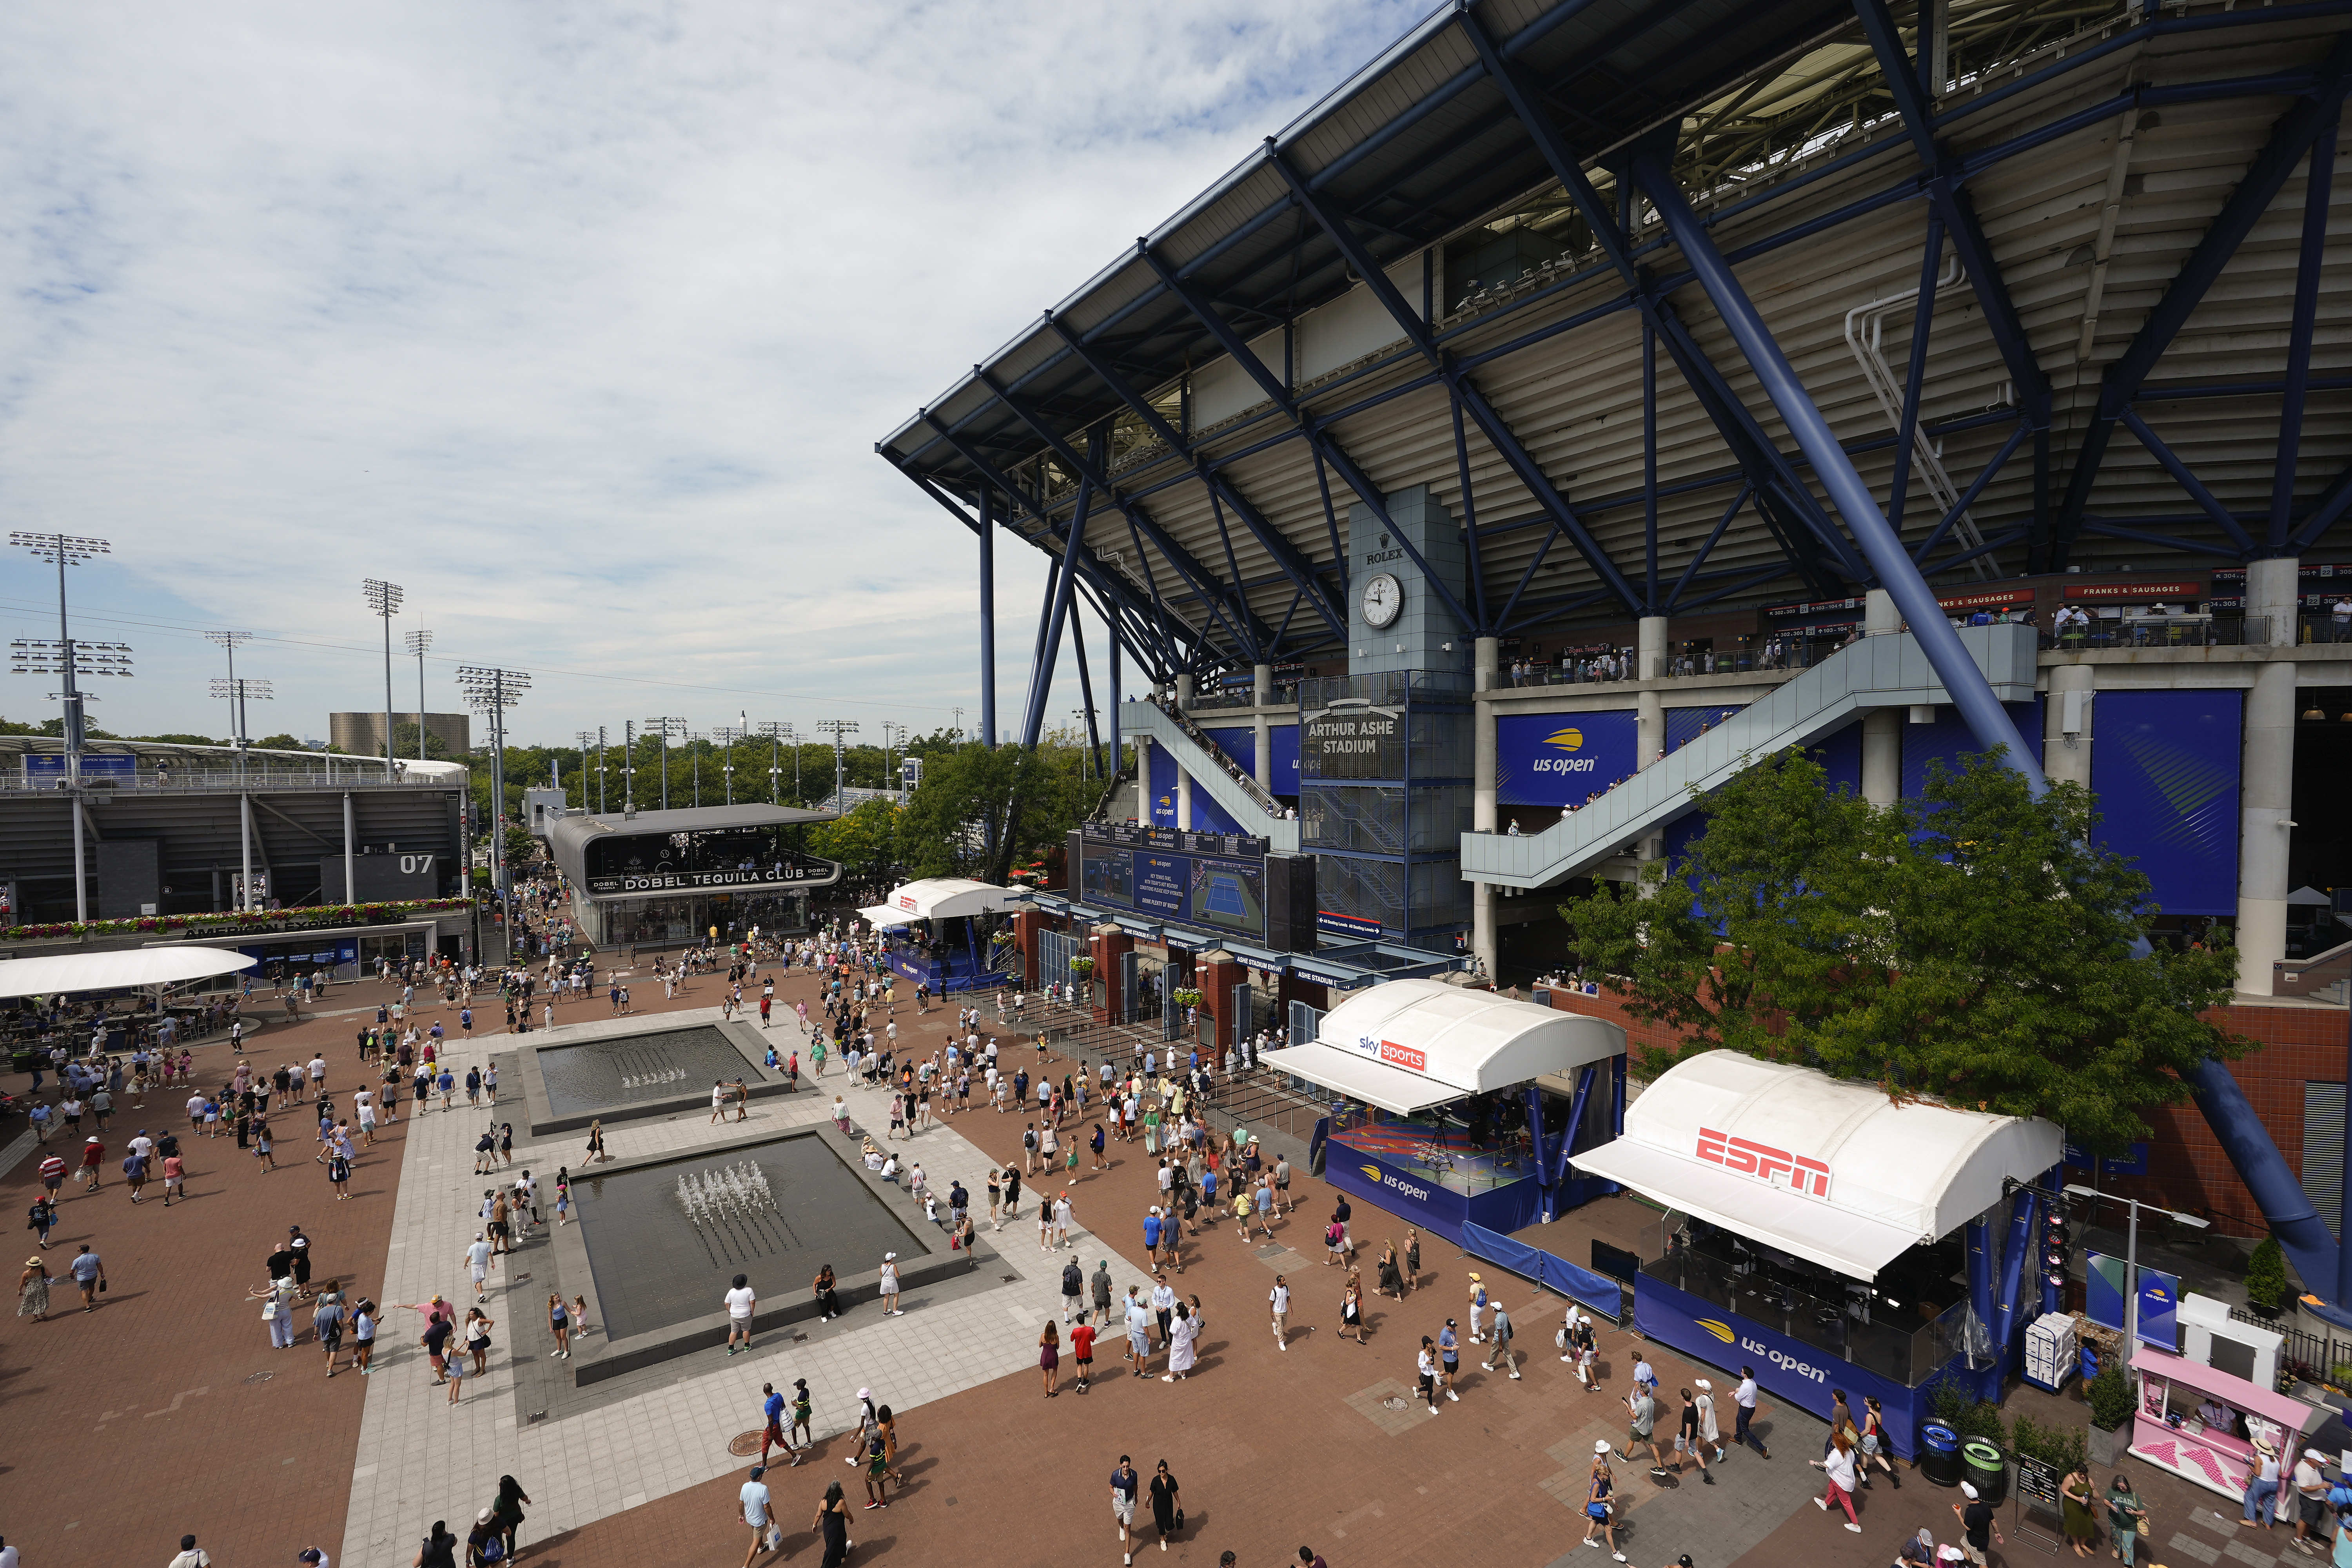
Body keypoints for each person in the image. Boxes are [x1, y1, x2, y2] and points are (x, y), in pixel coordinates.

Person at [1583, 1443, 1626, 1561]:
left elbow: (1606, 1493)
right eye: (1607, 1475)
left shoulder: (1602, 1482)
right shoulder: (1597, 1484)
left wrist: (1613, 1500)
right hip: (1599, 1508)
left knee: (1594, 1521)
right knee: (1608, 1529)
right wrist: (1605, 1500)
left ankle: (1588, 1538)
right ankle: (1615, 1552)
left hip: (1599, 1509)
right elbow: (1593, 1499)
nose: (1608, 1476)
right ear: (1602, 1475)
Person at [1814, 1432, 1863, 1531]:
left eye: (1834, 1441)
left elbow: (1827, 1465)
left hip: (1841, 1482)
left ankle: (1856, 1525)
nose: (1832, 1443)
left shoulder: (1837, 1453)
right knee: (1832, 1489)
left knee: (1846, 1503)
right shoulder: (1850, 1451)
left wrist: (1814, 1463)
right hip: (1842, 1479)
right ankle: (1825, 1504)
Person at [1954, 1478, 2001, 1559]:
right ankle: (1965, 1564)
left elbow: (1967, 1527)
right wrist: (1997, 1532)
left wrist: (1959, 1514)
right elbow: (1993, 1521)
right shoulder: (1985, 1506)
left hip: (1976, 1541)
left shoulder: (1971, 1511)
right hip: (1976, 1538)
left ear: (1966, 1496)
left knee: (1982, 1562)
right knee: (1966, 1547)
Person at [739, 1465, 777, 1564]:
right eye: (762, 1473)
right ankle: (746, 1565)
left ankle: (761, 1547)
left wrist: (741, 1515)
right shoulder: (763, 1489)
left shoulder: (745, 1486)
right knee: (755, 1540)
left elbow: (741, 1503)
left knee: (758, 1534)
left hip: (750, 1518)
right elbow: (766, 1507)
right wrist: (772, 1518)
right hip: (760, 1521)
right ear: (759, 1477)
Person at [2063, 1461, 2102, 1556]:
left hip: (2085, 1505)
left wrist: (2094, 1489)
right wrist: (2078, 1499)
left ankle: (2082, 1543)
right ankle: (2076, 1545)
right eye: (2080, 1474)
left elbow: (2097, 1498)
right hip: (2072, 1504)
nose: (2083, 1476)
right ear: (2076, 1471)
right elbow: (2063, 1490)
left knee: (2088, 1524)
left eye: (2085, 1474)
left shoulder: (2089, 1480)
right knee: (2074, 1524)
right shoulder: (2070, 1478)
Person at [2106, 1472, 2145, 1564]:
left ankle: (2128, 1565)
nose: (2121, 1488)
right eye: (2119, 1487)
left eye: (2123, 1487)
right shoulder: (2112, 1491)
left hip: (2130, 1526)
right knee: (2117, 1538)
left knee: (2128, 1546)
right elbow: (2105, 1500)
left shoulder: (2134, 1496)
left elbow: (2143, 1512)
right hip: (2115, 1522)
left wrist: (2134, 1512)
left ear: (2127, 1485)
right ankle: (2117, 1549)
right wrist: (2110, 1505)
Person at [812, 1480, 853, 1568]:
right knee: (834, 1546)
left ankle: (843, 1551)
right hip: (838, 1529)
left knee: (832, 1543)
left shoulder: (823, 1502)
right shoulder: (841, 1502)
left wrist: (814, 1525)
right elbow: (847, 1514)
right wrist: (851, 1519)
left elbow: (818, 1514)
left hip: (827, 1528)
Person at [490, 1475, 531, 1563]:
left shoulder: (499, 1500)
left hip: (502, 1522)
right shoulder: (517, 1491)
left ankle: (500, 1555)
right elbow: (525, 1498)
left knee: (498, 1537)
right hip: (514, 1518)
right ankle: (510, 1559)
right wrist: (528, 1501)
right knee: (511, 1537)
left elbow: (496, 1515)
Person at [1733, 1365, 1771, 1457]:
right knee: (1738, 1420)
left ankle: (1762, 1448)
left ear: (1745, 1375)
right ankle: (1738, 1438)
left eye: (1742, 1371)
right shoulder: (1753, 1383)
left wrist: (1736, 1391)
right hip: (1750, 1409)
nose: (1741, 1372)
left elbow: (1738, 1397)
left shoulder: (1745, 1386)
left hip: (1745, 1410)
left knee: (1745, 1429)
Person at [1111, 1455, 1143, 1565]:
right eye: (1124, 1467)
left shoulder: (1134, 1475)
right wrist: (1113, 1493)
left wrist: (1136, 1496)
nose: (1126, 1469)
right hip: (1119, 1503)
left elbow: (1135, 1486)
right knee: (1120, 1520)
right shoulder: (1116, 1475)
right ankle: (1121, 1528)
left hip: (1129, 1503)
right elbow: (1110, 1487)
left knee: (1128, 1527)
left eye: (1128, 1466)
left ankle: (1127, 1554)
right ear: (1121, 1466)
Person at [1148, 1459, 1183, 1553]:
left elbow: (1175, 1491)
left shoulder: (1171, 1480)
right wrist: (1148, 1502)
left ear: (1166, 1470)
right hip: (1158, 1505)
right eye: (1160, 1471)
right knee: (1160, 1522)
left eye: (1163, 1471)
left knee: (1169, 1522)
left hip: (1168, 1504)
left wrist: (1178, 1501)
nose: (1161, 1473)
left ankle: (1166, 1530)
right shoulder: (1156, 1480)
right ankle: (1162, 1539)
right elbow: (1152, 1492)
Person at [1486, 1300, 1520, 1379]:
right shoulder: (1505, 1314)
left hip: (1499, 1340)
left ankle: (1490, 1365)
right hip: (1506, 1337)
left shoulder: (1497, 1320)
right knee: (1508, 1354)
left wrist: (1500, 1345)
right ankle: (1515, 1372)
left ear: (1495, 1309)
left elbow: (1500, 1333)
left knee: (1494, 1351)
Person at [724, 1272, 756, 1353]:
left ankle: (731, 1349)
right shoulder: (749, 1290)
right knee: (746, 1330)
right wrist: (752, 1312)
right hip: (746, 1315)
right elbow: (752, 1302)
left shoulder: (731, 1292)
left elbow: (726, 1304)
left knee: (734, 1331)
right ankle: (747, 1346)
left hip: (734, 1316)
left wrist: (730, 1311)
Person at [68, 1242, 104, 1312]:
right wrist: (102, 1274)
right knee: (92, 1287)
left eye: (79, 1250)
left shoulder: (77, 1261)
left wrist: (72, 1276)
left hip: (82, 1278)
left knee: (84, 1291)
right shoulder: (95, 1256)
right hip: (93, 1276)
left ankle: (88, 1307)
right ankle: (90, 1297)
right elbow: (100, 1266)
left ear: (82, 1251)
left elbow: (72, 1271)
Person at [17, 1255, 50, 1321]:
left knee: (32, 1302)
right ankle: (42, 1312)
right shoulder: (43, 1269)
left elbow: (22, 1284)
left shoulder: (26, 1273)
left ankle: (36, 1317)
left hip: (31, 1289)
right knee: (41, 1300)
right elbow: (50, 1275)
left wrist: (20, 1291)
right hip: (42, 1287)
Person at [1040, 1319, 1062, 1397]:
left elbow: (1040, 1345)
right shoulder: (1056, 1337)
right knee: (1055, 1370)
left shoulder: (1043, 1336)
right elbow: (1058, 1347)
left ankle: (1046, 1393)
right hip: (1053, 1356)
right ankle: (1052, 1388)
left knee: (1046, 1374)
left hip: (1045, 1356)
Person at [1269, 1274, 1291, 1351]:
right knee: (1281, 1328)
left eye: (1285, 1280)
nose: (1285, 1282)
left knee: (1283, 1324)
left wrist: (1291, 1308)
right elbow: (1271, 1302)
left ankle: (1275, 1326)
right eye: (1283, 1281)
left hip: (1284, 1311)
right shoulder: (1274, 1291)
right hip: (1277, 1312)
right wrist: (1271, 1312)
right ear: (1279, 1282)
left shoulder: (1286, 1288)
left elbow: (1288, 1298)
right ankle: (1281, 1342)